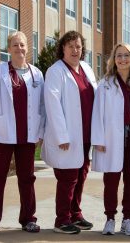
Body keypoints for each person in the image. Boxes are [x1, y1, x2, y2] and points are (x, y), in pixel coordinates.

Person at [0, 31, 44, 236]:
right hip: (2, 135)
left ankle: (28, 219)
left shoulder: (37, 74)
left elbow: (42, 106)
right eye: (15, 45)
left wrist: (40, 132)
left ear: (28, 48)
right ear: (8, 49)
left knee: (27, 178)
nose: (19, 49)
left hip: (27, 136)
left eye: (23, 45)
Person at [91, 43, 130, 236]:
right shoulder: (105, 84)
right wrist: (98, 139)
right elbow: (97, 114)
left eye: (126, 56)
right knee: (110, 182)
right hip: (111, 140)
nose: (122, 59)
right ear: (113, 59)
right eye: (119, 55)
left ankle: (127, 220)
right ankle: (110, 219)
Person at [41, 30, 97, 234]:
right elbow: (52, 105)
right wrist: (61, 135)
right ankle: (62, 219)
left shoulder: (87, 69)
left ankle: (75, 213)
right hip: (67, 135)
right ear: (62, 48)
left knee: (81, 174)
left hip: (86, 134)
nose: (75, 50)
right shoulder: (55, 71)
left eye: (79, 46)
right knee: (68, 178)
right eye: (71, 45)